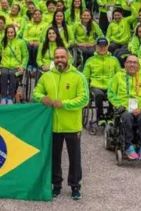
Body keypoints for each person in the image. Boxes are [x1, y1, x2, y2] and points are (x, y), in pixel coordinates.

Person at [33, 47, 89, 201]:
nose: (59, 60)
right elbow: (36, 92)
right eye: (57, 57)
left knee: (74, 158)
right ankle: (56, 185)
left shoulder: (79, 77)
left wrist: (63, 103)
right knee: (54, 157)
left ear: (68, 58)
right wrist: (41, 98)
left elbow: (84, 99)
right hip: (53, 125)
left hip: (71, 125)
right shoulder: (47, 76)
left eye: (62, 57)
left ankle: (75, 186)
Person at [108, 55, 141, 161]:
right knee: (127, 116)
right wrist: (120, 106)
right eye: (129, 62)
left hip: (139, 109)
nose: (132, 64)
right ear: (125, 64)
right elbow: (111, 94)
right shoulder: (118, 76)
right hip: (124, 108)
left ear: (138, 65)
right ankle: (128, 146)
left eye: (135, 62)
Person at [83, 37, 121, 129]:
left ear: (107, 47)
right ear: (96, 47)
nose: (102, 48)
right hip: (96, 85)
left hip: (110, 86)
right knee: (99, 95)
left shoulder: (114, 60)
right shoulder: (90, 60)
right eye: (100, 46)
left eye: (104, 46)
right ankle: (100, 116)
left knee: (112, 94)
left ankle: (109, 115)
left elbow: (119, 75)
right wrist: (85, 89)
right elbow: (85, 77)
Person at [0, 25, 27, 104]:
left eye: (11, 32)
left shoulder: (21, 42)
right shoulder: (2, 42)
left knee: (13, 74)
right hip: (4, 66)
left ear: (15, 33)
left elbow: (26, 55)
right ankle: (3, 97)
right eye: (8, 32)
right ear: (5, 33)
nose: (10, 34)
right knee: (4, 73)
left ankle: (10, 97)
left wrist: (23, 66)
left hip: (16, 66)